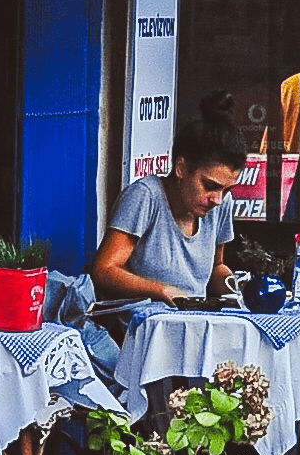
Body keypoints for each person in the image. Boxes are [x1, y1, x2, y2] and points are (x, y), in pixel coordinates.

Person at [91, 94, 248, 302]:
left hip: (195, 321)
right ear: (181, 168)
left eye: (226, 190)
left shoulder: (221, 204)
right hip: (144, 326)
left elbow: (216, 267)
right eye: (210, 186)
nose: (217, 199)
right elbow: (104, 270)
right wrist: (160, 291)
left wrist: (238, 288)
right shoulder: (146, 196)